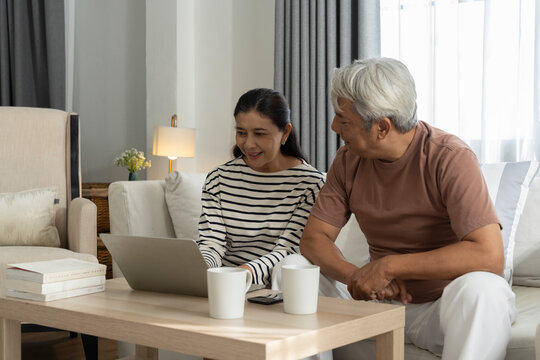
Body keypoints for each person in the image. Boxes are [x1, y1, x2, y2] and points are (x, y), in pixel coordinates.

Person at [280, 58, 516, 359]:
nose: (333, 126)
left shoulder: (450, 158)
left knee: (485, 291)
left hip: (442, 310)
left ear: (381, 127)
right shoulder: (347, 160)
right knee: (291, 268)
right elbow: (313, 239)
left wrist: (389, 266)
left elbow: (489, 255)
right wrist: (359, 278)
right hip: (378, 306)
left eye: (343, 118)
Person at [197, 88, 325, 287]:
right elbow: (211, 243)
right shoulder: (219, 179)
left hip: (273, 288)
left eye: (259, 134)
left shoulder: (310, 184)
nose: (248, 144)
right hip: (223, 285)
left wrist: (243, 273)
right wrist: (199, 270)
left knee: (292, 262)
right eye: (241, 133)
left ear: (285, 132)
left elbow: (289, 251)